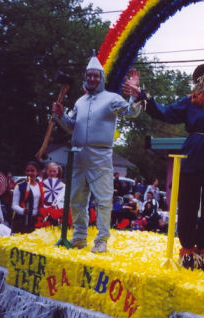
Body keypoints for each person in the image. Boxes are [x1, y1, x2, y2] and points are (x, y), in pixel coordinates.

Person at [123, 56, 204, 271]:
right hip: (192, 156)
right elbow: (166, 112)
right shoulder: (191, 100)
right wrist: (142, 95)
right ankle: (188, 251)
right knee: (188, 204)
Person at [53, 55, 141, 253]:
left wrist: (134, 94)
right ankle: (79, 237)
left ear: (101, 78)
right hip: (78, 155)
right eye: (89, 75)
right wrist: (60, 115)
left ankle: (101, 240)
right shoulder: (80, 102)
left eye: (96, 76)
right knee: (77, 198)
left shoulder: (111, 98)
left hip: (100, 155)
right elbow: (71, 127)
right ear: (86, 77)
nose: (92, 79)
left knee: (103, 199)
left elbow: (131, 112)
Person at [11, 161, 45, 234]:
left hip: (36, 221)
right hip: (22, 221)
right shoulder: (19, 186)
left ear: (37, 172)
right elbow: (14, 205)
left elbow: (41, 202)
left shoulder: (40, 186)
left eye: (32, 171)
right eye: (28, 171)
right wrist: (23, 211)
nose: (30, 173)